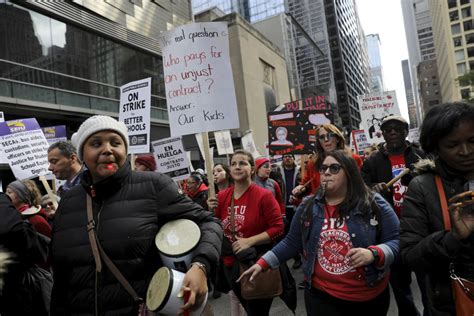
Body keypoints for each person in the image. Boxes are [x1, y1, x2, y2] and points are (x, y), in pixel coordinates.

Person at [50, 115, 222, 315]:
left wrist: (200, 266)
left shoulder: (153, 186)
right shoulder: (68, 202)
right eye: (96, 143)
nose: (107, 149)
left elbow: (209, 223)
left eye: (115, 142)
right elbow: (61, 279)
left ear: (125, 150)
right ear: (81, 154)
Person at [239, 150, 400, 316]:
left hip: (366, 298)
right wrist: (263, 263)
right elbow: (292, 242)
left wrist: (374, 253)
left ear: (350, 173)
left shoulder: (373, 203)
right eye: (323, 169)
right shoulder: (309, 205)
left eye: (334, 168)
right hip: (321, 296)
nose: (327, 173)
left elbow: (396, 240)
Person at [400, 102, 474, 316]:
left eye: (472, 141)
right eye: (453, 145)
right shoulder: (423, 187)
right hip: (452, 304)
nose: (466, 151)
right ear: (436, 147)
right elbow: (410, 255)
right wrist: (453, 238)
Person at [361, 115, 426, 316]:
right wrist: (373, 189)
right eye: (388, 129)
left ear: (406, 131)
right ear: (382, 133)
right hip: (391, 234)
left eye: (397, 128)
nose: (393, 132)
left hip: (420, 229)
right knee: (400, 287)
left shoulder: (419, 155)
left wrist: (417, 176)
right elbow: (360, 191)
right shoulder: (372, 161)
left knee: (428, 284)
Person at [207, 149, 284, 316]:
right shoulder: (222, 197)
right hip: (231, 265)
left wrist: (250, 241)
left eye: (243, 163)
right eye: (233, 164)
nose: (237, 166)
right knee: (249, 309)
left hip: (256, 263)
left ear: (252, 169)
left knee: (257, 312)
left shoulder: (264, 196)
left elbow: (278, 228)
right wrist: (209, 209)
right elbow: (215, 226)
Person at [0, 192, 50, 316]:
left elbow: (47, 255)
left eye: (10, 191)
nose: (8, 193)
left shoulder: (35, 219)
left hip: (21, 290)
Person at [293, 124, 362, 196]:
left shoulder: (353, 159)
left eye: (330, 135)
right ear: (319, 142)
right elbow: (306, 185)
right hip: (321, 206)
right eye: (322, 137)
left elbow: (360, 186)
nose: (326, 139)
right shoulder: (313, 163)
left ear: (337, 138)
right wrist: (301, 188)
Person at [278, 153, 302, 268]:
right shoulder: (277, 172)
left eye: (290, 156)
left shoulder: (300, 171)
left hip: (297, 207)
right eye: (285, 156)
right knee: (286, 234)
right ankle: (292, 256)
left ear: (293, 159)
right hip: (283, 208)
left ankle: (300, 257)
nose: (287, 158)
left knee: (298, 233)